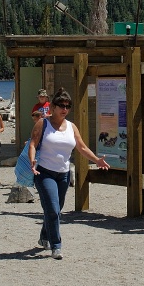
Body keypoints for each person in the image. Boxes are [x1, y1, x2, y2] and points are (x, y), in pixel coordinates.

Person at [28, 88, 109, 260]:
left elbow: (82, 147)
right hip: (44, 173)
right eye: (61, 105)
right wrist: (32, 161)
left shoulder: (72, 127)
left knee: (55, 210)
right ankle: (56, 246)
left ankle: (44, 236)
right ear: (54, 106)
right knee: (52, 209)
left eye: (68, 106)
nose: (65, 109)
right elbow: (33, 144)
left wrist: (96, 160)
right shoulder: (43, 123)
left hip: (63, 175)